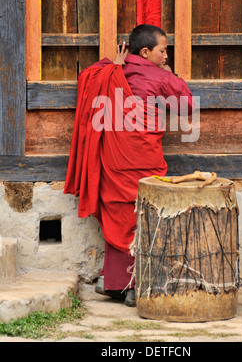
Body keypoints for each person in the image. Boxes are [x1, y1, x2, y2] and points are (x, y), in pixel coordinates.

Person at [64, 24, 195, 306]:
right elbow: (186, 104)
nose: (166, 55)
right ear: (146, 52)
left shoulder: (112, 71)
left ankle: (112, 283)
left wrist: (112, 63)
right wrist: (171, 76)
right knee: (142, 218)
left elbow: (88, 77)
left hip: (113, 161)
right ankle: (137, 286)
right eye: (163, 50)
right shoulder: (159, 75)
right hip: (143, 161)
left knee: (121, 216)